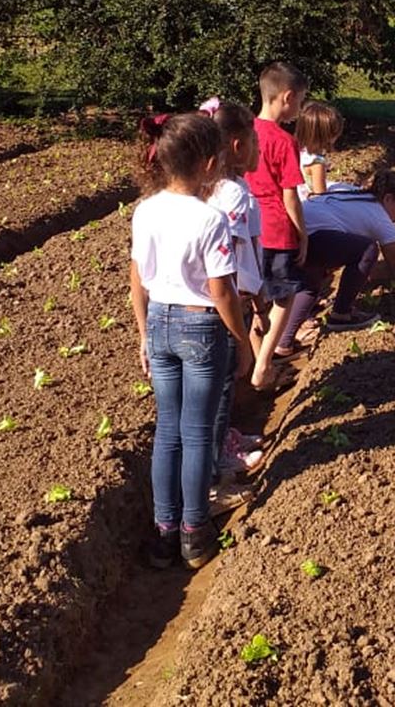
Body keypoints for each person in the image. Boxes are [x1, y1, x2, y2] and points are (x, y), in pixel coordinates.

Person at [128, 112, 252, 570]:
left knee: (167, 431)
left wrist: (144, 334)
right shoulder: (210, 218)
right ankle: (195, 533)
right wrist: (242, 341)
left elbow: (137, 280)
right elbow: (222, 291)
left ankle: (164, 532)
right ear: (208, 163)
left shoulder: (146, 210)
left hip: (158, 321)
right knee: (197, 434)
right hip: (200, 327)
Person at [273, 170, 395, 353]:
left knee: (310, 285)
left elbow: (394, 255)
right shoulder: (377, 215)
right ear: (388, 199)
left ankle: (283, 344)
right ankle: (341, 314)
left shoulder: (353, 193)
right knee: (367, 249)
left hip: (289, 232)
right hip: (309, 237)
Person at [199, 99, 265, 494]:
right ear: (237, 145)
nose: (260, 148)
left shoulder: (217, 187)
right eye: (255, 140)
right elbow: (236, 255)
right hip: (227, 297)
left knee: (221, 381)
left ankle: (226, 437)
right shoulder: (233, 195)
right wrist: (249, 299)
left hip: (217, 295)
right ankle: (220, 451)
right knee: (223, 380)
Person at [245, 63, 309, 395]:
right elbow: (290, 195)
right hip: (276, 229)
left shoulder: (241, 135)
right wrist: (302, 233)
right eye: (300, 101)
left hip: (247, 231)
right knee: (284, 298)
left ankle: (261, 362)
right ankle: (264, 363)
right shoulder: (284, 141)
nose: (300, 108)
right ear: (287, 97)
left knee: (256, 299)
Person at [294, 100, 355, 199]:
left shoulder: (298, 151)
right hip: (311, 206)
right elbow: (320, 195)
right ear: (326, 136)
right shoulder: (316, 163)